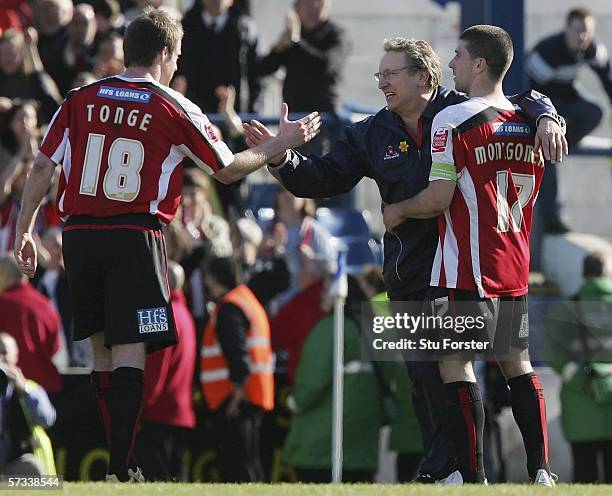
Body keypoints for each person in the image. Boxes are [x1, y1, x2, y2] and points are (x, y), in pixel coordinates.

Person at [12, 8, 320, 483]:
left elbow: (41, 166)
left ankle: (115, 459)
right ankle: (122, 465)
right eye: (176, 56)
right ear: (163, 54)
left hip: (78, 234)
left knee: (99, 350)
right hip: (135, 234)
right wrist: (278, 144)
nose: (177, 65)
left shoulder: (79, 96)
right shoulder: (171, 105)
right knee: (132, 348)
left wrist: (25, 229)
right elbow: (227, 167)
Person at [243, 36, 566, 482]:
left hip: (463, 267)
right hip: (412, 272)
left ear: (422, 76)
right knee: (426, 378)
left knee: (454, 370)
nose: (381, 83)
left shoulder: (460, 110)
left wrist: (547, 115)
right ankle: (457, 470)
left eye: (390, 74)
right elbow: (321, 178)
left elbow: (519, 96)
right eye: (378, 74)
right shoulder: (372, 132)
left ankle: (452, 472)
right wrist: (279, 156)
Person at [383, 25, 554, 485]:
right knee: (517, 363)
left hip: (466, 265)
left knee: (455, 364)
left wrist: (397, 209)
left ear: (479, 64)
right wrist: (546, 113)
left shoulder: (452, 119)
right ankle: (540, 471)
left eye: (458, 55)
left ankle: (470, 474)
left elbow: (439, 199)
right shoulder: (529, 121)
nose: (451, 63)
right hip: (514, 264)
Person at [282, 276, 383, 482]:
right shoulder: (373, 329)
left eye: (326, 289)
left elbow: (311, 384)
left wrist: (293, 402)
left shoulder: (329, 329)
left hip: (322, 446)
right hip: (364, 445)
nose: (321, 294)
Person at [526, 7, 612, 233]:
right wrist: (547, 127)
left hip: (566, 97)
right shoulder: (547, 53)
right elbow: (532, 97)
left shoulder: (592, 48)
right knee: (548, 157)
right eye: (578, 31)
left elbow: (608, 81)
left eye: (587, 31)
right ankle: (553, 220)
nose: (583, 36)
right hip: (541, 106)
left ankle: (562, 142)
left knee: (595, 112)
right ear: (566, 29)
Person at [201, 256, 274, 482]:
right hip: (251, 395)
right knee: (250, 464)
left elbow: (237, 353)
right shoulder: (248, 301)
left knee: (237, 468)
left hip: (235, 399)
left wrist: (237, 393)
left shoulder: (229, 307)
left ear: (214, 279)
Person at [544, 252, 612, 483]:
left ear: (583, 274)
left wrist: (579, 379)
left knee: (585, 474)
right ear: (607, 273)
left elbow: (551, 351)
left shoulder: (566, 309)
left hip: (580, 400)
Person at [137, 261, 197, 481]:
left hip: (158, 416)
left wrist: (138, 410)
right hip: (180, 414)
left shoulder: (160, 313)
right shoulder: (185, 313)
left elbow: (154, 370)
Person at [176, 0, 260, 113]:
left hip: (236, 112)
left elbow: (257, 74)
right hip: (194, 111)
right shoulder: (185, 28)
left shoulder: (246, 28)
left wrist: (253, 112)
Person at [0, 254, 62, 395]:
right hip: (47, 387)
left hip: (12, 388)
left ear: (4, 276)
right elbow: (55, 347)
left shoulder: (2, 303)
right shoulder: (45, 304)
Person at [0, 332, 57, 476]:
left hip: (22, 463)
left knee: (30, 467)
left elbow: (46, 419)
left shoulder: (31, 388)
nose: (1, 358)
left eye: (4, 352)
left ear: (15, 356)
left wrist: (24, 390)